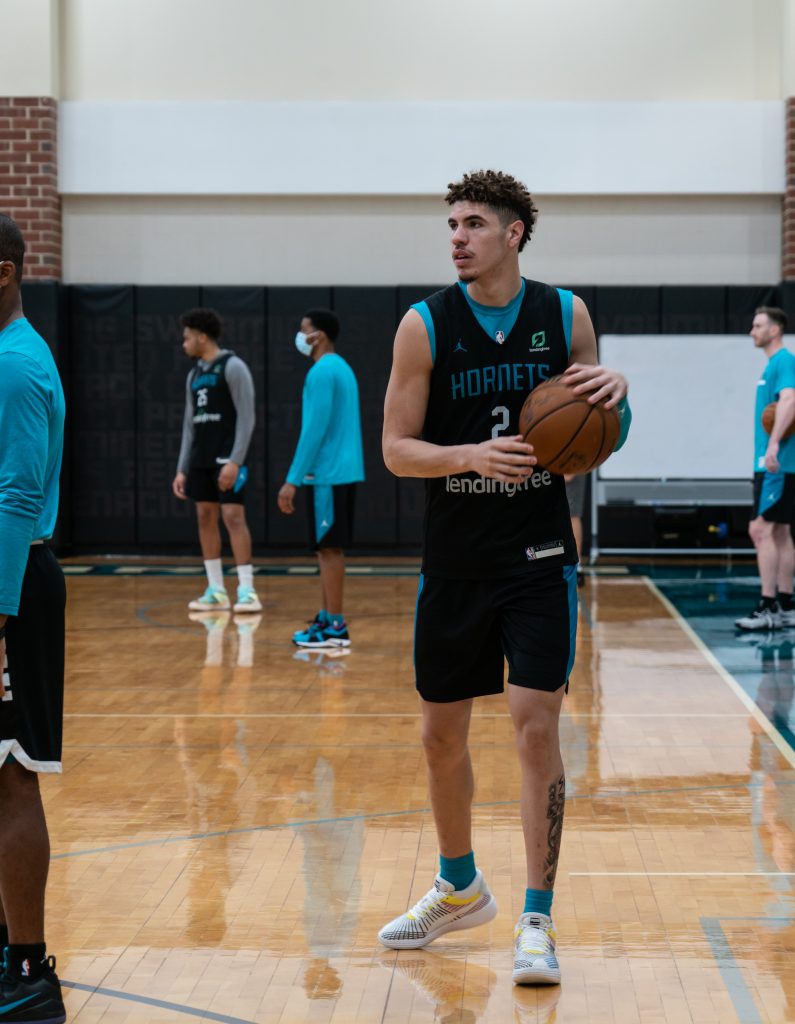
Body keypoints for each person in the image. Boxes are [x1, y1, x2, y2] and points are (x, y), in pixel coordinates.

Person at [379, 170, 631, 986]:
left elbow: (591, 426)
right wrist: (466, 456)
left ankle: (535, 918)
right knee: (439, 738)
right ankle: (459, 888)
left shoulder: (565, 315)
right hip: (454, 559)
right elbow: (394, 449)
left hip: (535, 556)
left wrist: (616, 397)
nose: (456, 236)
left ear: (514, 233)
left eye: (473, 223)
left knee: (533, 729)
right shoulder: (424, 326)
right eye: (450, 223)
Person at [0, 214, 67, 1022]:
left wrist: (1, 606)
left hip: (14, 587)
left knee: (14, 773)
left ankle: (28, 970)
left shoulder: (18, 365)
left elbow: (17, 495)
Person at [277, 309, 364, 648]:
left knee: (329, 550)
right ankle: (327, 618)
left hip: (327, 473)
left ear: (320, 335)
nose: (300, 337)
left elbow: (313, 431)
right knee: (327, 549)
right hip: (340, 471)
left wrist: (292, 480)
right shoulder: (342, 368)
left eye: (304, 330)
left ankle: (336, 627)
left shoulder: (322, 371)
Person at [172, 308, 261, 614]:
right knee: (205, 518)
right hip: (201, 459)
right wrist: (182, 468)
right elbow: (188, 425)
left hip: (227, 458)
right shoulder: (194, 374)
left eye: (186, 338)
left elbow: (247, 419)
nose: (183, 343)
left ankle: (247, 590)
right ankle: (216, 590)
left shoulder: (233, 367)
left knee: (234, 517)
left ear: (202, 336)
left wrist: (235, 461)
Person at [736, 307, 795, 631]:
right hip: (779, 464)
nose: (752, 331)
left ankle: (768, 606)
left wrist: (772, 446)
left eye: (757, 325)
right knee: (781, 533)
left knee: (761, 531)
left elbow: (790, 400)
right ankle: (786, 605)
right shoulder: (774, 364)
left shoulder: (784, 361)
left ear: (774, 330)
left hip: (775, 464)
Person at [564, 473, 587, 587]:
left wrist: (570, 468)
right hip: (548, 469)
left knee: (573, 515)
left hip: (571, 463)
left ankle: (577, 566)